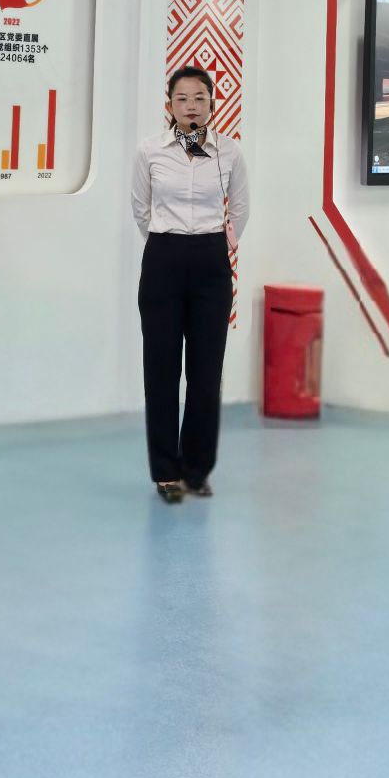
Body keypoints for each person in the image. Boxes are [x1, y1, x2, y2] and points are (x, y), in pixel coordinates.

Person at [129, 67, 250, 503]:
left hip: (211, 263)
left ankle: (196, 470)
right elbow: (140, 208)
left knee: (205, 371)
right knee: (161, 369)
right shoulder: (150, 151)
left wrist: (218, 244)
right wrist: (168, 241)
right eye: (182, 99)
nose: (191, 106)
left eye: (199, 98)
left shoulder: (229, 152)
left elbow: (240, 208)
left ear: (212, 104)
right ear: (170, 106)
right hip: (163, 259)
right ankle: (166, 472)